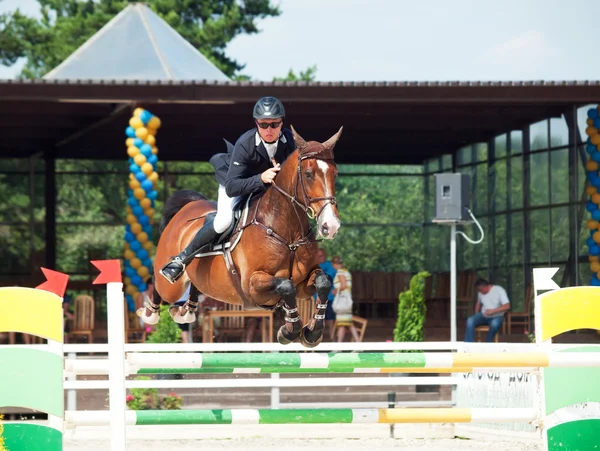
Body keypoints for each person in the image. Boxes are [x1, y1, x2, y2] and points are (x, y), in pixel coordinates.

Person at [160, 96, 296, 283]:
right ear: (256, 123)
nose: (269, 130)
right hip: (235, 183)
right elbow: (233, 187)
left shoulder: (289, 140)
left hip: (266, 188)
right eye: (264, 125)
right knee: (224, 221)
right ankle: (182, 259)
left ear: (282, 123)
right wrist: (261, 178)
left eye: (274, 124)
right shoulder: (245, 144)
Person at [464, 278, 511, 342]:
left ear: (486, 286)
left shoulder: (499, 290)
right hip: (483, 316)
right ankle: (468, 345)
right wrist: (476, 314)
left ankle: (487, 343)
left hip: (496, 316)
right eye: (478, 290)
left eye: (480, 289)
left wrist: (493, 311)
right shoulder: (480, 292)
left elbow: (507, 306)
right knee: (470, 320)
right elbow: (478, 303)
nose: (479, 291)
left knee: (494, 324)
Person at [331, 256, 360, 343]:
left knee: (344, 323)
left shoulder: (340, 273)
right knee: (345, 323)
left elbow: (344, 285)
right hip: (346, 301)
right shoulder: (346, 272)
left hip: (342, 302)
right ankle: (356, 343)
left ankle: (340, 346)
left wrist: (336, 291)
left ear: (334, 264)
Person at [316, 248, 337, 337]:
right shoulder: (314, 266)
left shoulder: (331, 265)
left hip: (330, 297)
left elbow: (336, 278)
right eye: (319, 256)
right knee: (319, 320)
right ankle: (319, 339)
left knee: (330, 319)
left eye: (322, 255)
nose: (321, 257)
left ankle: (332, 339)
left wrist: (337, 288)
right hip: (317, 299)